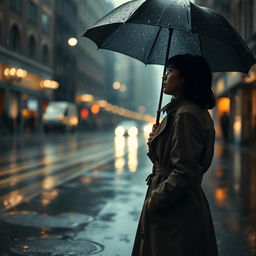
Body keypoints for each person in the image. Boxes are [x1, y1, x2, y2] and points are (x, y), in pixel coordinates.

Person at [131, 54, 218, 256]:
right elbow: (171, 159)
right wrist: (157, 140)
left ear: (185, 78)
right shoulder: (185, 111)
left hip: (175, 209)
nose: (164, 76)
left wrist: (155, 200)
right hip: (177, 204)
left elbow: (185, 172)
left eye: (170, 71)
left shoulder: (185, 114)